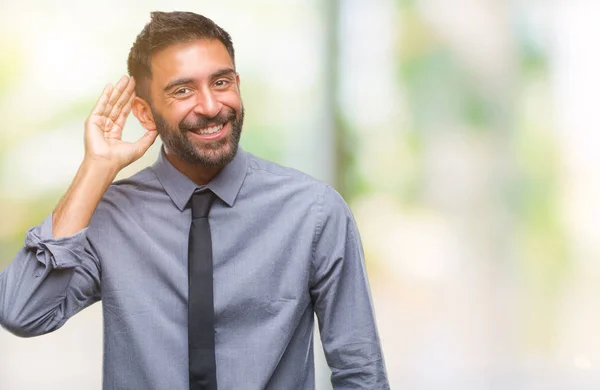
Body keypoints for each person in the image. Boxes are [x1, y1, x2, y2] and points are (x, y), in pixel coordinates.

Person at [0, 11, 389, 390]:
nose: (210, 106)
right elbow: (22, 312)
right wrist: (95, 168)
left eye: (221, 82)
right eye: (182, 90)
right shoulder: (110, 217)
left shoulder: (314, 212)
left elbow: (360, 373)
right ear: (144, 112)